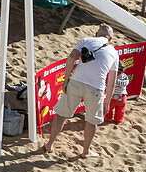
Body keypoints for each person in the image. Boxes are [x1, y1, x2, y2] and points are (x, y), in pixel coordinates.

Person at [43, 25, 119, 158]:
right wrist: (107, 102)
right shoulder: (114, 52)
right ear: (110, 39)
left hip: (77, 81)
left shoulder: (86, 40)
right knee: (91, 121)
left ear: (96, 34)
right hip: (96, 87)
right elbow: (112, 81)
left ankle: (49, 144)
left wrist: (66, 79)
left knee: (61, 115)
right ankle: (86, 151)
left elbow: (71, 58)